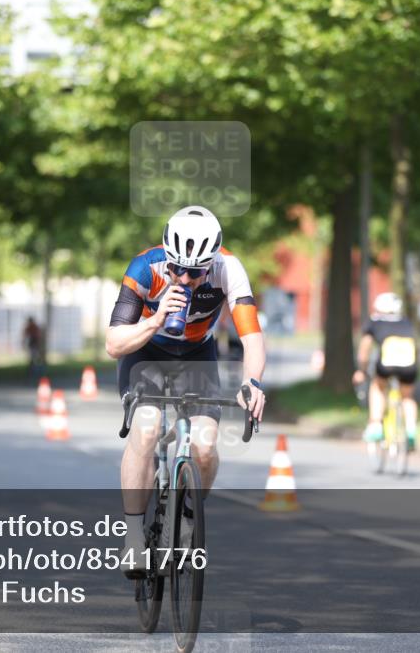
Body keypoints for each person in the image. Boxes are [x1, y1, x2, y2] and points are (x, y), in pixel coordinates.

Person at [106, 205, 266, 576]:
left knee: (206, 445)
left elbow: (251, 337)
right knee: (146, 428)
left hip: (196, 353)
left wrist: (252, 382)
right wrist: (158, 317)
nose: (183, 277)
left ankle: (188, 517)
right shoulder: (145, 267)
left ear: (209, 264)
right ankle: (133, 536)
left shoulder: (229, 269)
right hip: (144, 351)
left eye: (194, 272)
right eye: (176, 268)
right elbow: (114, 343)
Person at [352, 292, 419, 451]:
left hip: (386, 365)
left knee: (377, 386)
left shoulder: (375, 322)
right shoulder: (406, 322)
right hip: (409, 365)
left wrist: (361, 369)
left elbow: (365, 349)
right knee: (407, 396)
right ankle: (411, 430)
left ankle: (375, 425)